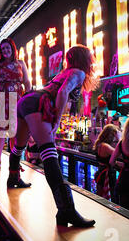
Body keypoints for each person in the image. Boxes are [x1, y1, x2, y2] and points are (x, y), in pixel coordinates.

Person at [8, 44, 99, 227]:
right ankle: (66, 210)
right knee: (49, 153)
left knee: (20, 146)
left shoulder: (63, 73)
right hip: (38, 103)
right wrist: (57, 122)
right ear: (86, 60)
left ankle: (13, 178)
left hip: (26, 100)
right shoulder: (78, 73)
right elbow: (63, 92)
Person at [0, 38, 31, 173]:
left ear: (13, 48)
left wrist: (28, 96)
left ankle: (15, 163)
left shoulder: (21, 63)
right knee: (1, 131)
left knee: (16, 131)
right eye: (2, 48)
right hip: (2, 98)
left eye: (7, 47)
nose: (5, 50)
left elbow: (27, 81)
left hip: (17, 98)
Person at [92, 124, 121, 202]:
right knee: (110, 198)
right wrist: (119, 139)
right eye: (115, 135)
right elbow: (120, 153)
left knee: (101, 196)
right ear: (111, 135)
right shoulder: (105, 146)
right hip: (107, 174)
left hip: (101, 172)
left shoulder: (100, 144)